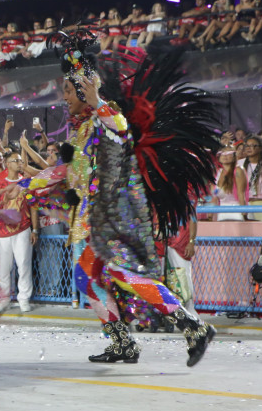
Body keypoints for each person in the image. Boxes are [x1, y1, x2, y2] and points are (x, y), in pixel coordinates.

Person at [28, 29, 218, 366]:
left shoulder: (104, 119)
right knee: (85, 277)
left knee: (121, 273)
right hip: (97, 219)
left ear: (85, 91)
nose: (64, 97)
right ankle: (122, 343)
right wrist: (26, 185)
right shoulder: (83, 131)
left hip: (114, 218)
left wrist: (98, 101)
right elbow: (69, 172)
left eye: (69, 90)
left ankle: (193, 325)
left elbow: (121, 127)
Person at [0, 152, 37, 313]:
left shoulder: (26, 183)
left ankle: (24, 298)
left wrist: (35, 229)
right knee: (4, 267)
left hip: (23, 228)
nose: (19, 163)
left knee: (23, 264)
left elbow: (33, 207)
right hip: (3, 231)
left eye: (20, 160)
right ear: (8, 164)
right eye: (16, 160)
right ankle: (4, 299)